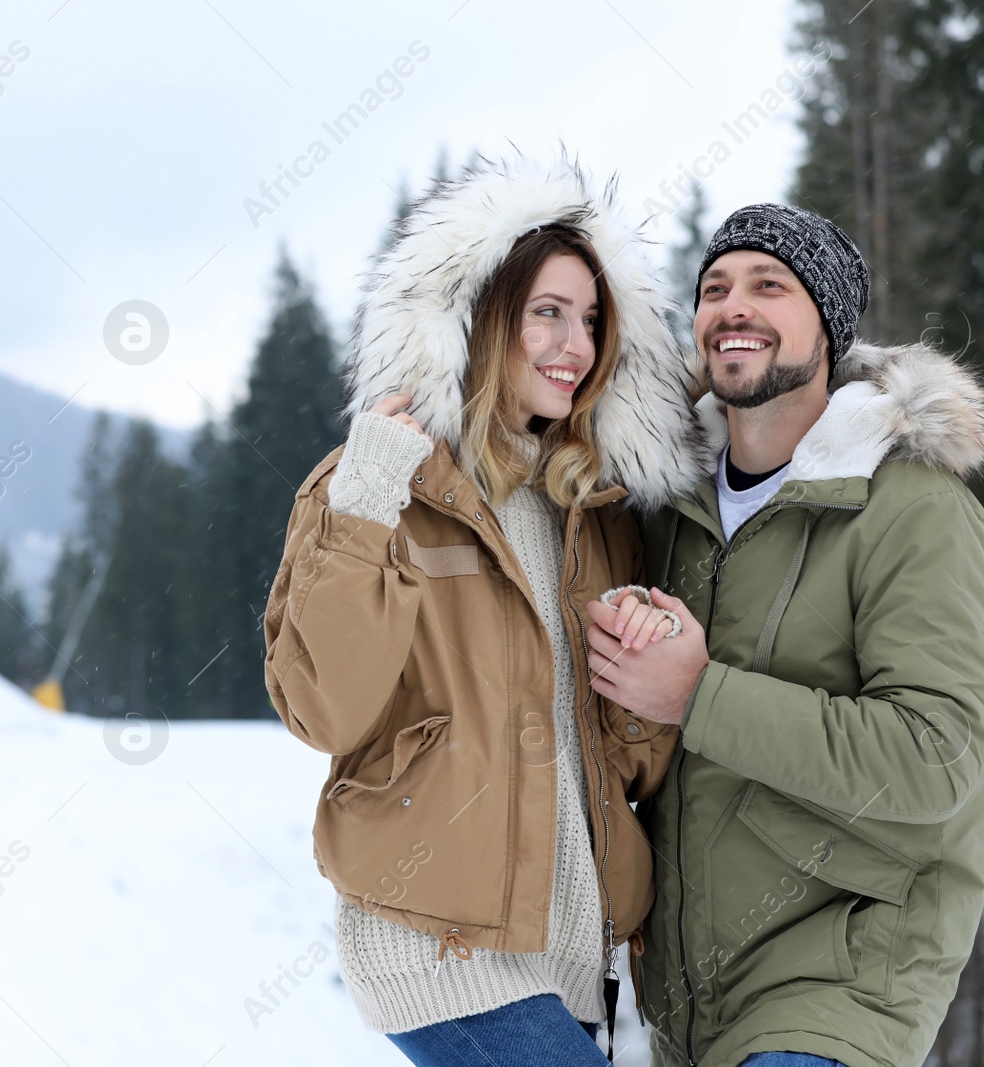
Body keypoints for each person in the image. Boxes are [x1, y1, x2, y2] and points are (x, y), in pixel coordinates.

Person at [262, 154, 708, 1066]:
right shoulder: (374, 486)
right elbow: (324, 706)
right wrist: (367, 497)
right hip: (442, 943)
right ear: (475, 318)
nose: (574, 345)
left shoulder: (594, 512)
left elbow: (624, 760)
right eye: (546, 312)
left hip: (572, 957)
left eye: (589, 320)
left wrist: (647, 671)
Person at [589, 204, 984, 1067]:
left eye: (768, 285)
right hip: (688, 999)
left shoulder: (917, 512)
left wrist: (697, 695)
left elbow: (936, 758)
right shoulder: (673, 513)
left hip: (846, 974)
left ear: (829, 326)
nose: (732, 305)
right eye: (714, 288)